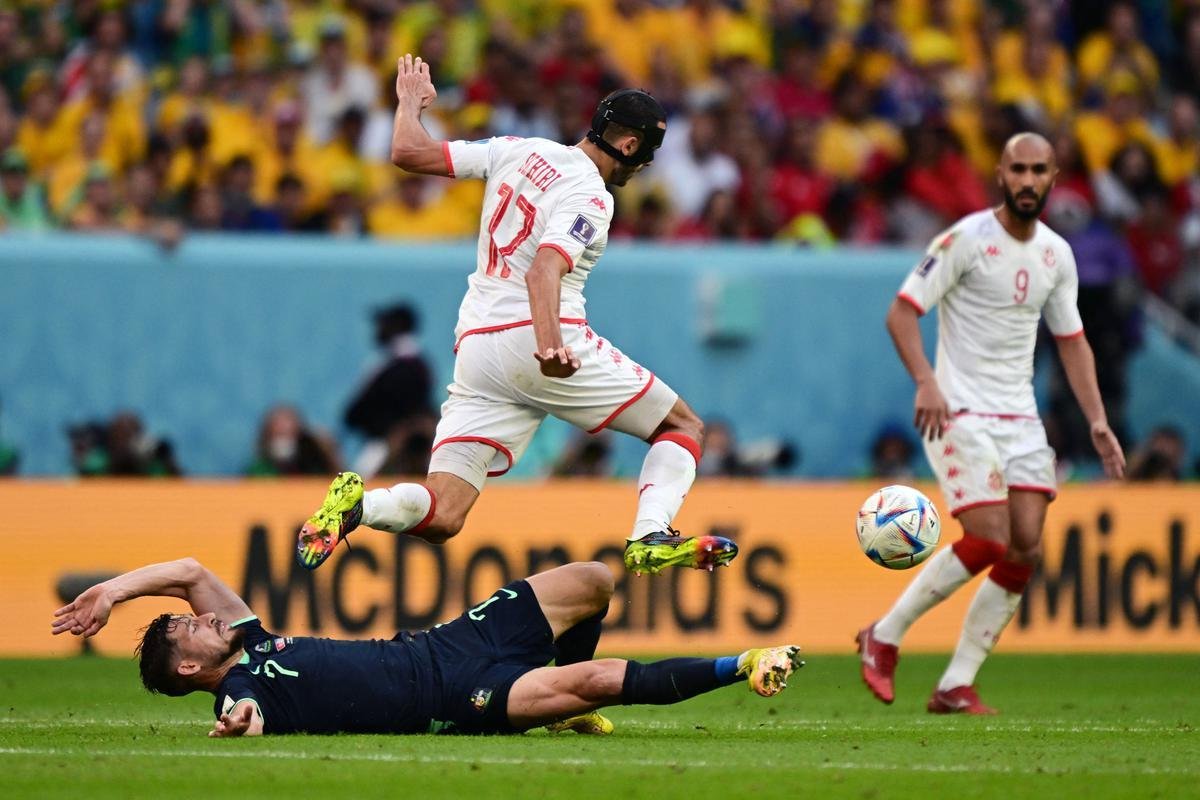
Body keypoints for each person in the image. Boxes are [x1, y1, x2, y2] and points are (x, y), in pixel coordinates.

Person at [297, 55, 735, 577]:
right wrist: (550, 346)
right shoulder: (591, 195)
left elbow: (408, 151)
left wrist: (410, 105)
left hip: (478, 348)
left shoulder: (517, 150)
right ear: (629, 145)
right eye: (646, 156)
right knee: (681, 425)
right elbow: (543, 271)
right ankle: (650, 533)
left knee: (445, 511)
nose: (642, 168)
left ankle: (358, 508)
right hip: (536, 336)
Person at [857, 133, 1126, 715]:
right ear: (1001, 174)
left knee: (1024, 549)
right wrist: (926, 381)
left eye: (1039, 171)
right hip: (956, 409)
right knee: (989, 538)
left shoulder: (1057, 253)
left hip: (1020, 416)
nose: (1028, 181)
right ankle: (884, 634)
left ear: (1055, 178)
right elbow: (901, 313)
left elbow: (1072, 340)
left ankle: (956, 682)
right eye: (1018, 170)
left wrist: (1098, 420)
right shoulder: (965, 239)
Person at [51, 558, 804, 737]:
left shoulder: (244, 639)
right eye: (194, 630)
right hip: (452, 700)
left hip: (449, 643)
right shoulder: (243, 689)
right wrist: (239, 724)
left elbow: (185, 573)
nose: (208, 618)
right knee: (599, 681)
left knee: (595, 579)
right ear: (190, 669)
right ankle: (742, 663)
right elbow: (244, 715)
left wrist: (114, 592)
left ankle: (553, 693)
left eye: (199, 619)